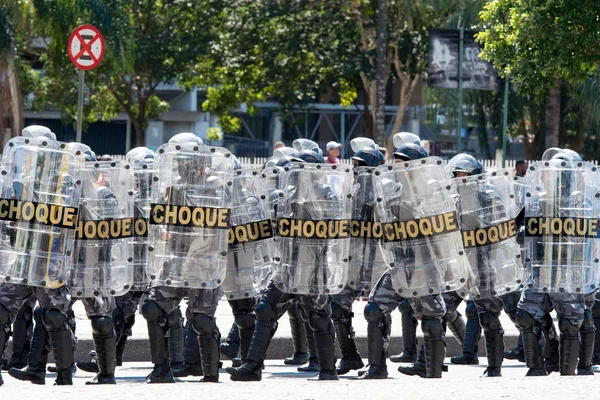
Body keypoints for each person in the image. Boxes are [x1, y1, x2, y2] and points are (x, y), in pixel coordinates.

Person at [517, 148, 596, 376]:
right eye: (552, 172)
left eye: (562, 173)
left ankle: (568, 373)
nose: (556, 177)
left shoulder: (586, 203)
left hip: (572, 272)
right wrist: (525, 232)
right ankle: (538, 367)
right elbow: (518, 229)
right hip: (540, 270)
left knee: (570, 323)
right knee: (525, 315)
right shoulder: (537, 202)